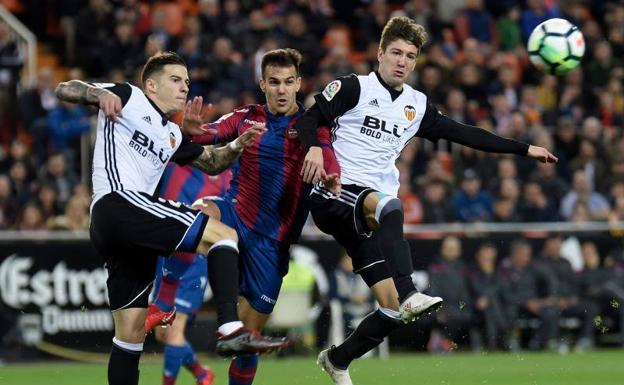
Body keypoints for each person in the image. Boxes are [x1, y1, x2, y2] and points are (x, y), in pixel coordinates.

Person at [294, 16, 558, 384]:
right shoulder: (354, 87)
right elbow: (307, 121)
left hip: (365, 214)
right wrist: (315, 152)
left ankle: (337, 359)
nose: (403, 61)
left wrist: (524, 148)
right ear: (380, 53)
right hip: (333, 193)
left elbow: (463, 133)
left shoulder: (416, 106)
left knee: (389, 312)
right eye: (397, 53)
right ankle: (409, 289)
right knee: (391, 207)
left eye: (411, 56)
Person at [54, 51, 287, 385]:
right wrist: (98, 93)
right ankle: (229, 328)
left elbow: (212, 162)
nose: (184, 88)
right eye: (176, 80)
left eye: (187, 82)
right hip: (119, 203)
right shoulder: (129, 96)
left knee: (130, 336)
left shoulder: (172, 134)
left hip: (118, 229)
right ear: (151, 84)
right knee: (222, 236)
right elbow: (66, 88)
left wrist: (238, 145)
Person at [152, 48, 339, 385]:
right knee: (199, 212)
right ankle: (162, 300)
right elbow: (206, 134)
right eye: (274, 82)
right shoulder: (245, 117)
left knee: (247, 343)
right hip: (235, 213)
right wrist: (189, 129)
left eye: (287, 82)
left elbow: (328, 157)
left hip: (272, 245)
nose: (281, 89)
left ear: (298, 84)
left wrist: (331, 173)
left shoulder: (312, 128)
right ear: (262, 83)